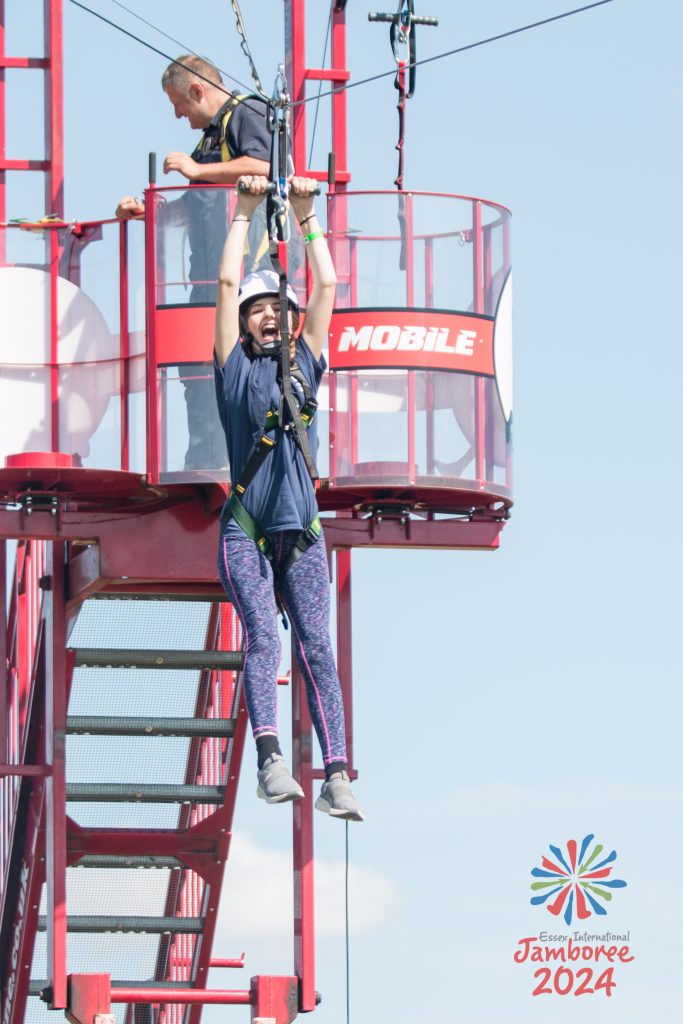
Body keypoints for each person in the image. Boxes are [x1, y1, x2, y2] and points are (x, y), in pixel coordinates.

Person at [213, 174, 364, 822]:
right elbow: (224, 286)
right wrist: (244, 214)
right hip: (246, 528)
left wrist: (307, 219)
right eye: (257, 310)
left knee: (316, 646)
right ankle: (270, 761)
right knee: (264, 643)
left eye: (275, 308)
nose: (267, 315)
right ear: (245, 321)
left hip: (300, 526)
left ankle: (336, 773)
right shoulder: (234, 373)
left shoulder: (304, 364)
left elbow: (328, 286)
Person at [116, 55, 272, 471]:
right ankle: (203, 454)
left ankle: (240, 457)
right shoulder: (209, 140)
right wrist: (151, 214)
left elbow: (265, 166)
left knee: (236, 364)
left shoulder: (247, 113)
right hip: (208, 280)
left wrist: (196, 169)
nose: (178, 114)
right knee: (196, 368)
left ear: (198, 90)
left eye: (179, 103)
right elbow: (197, 204)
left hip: (247, 278)